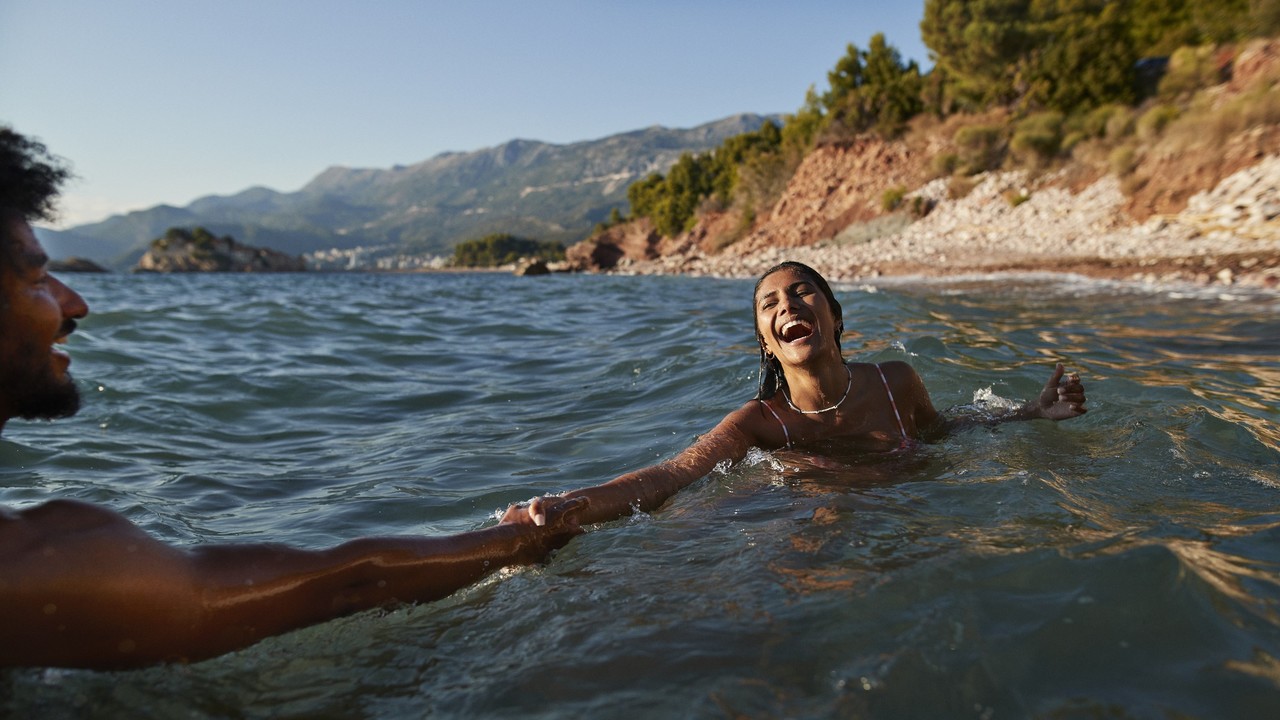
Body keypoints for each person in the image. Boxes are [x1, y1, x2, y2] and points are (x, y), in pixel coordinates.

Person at [0, 127, 587, 670]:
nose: (74, 304)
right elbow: (346, 584)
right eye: (34, 279)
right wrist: (530, 533)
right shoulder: (42, 564)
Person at [517, 260, 1088, 527]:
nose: (787, 305)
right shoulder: (758, 424)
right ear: (767, 341)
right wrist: (578, 501)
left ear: (835, 317)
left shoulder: (896, 383)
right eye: (770, 303)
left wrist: (1028, 414)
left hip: (915, 520)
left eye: (803, 292)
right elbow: (672, 475)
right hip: (806, 528)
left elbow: (942, 431)